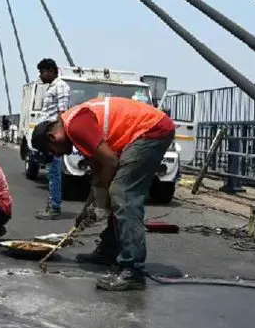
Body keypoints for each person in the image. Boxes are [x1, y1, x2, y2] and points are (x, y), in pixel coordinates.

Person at [31, 96, 175, 291]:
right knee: (114, 193)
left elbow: (110, 163)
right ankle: (108, 251)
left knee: (122, 192)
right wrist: (88, 209)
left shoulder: (76, 126)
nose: (58, 155)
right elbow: (98, 175)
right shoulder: (74, 127)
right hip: (147, 129)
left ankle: (133, 270)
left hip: (151, 130)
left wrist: (102, 204)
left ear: (52, 137)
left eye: (53, 151)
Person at [34, 58, 70, 220]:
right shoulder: (52, 87)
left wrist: (58, 137)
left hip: (53, 137)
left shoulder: (60, 86)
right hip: (48, 136)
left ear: (50, 71)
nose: (40, 75)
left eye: (42, 72)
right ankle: (52, 205)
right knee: (51, 172)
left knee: (54, 172)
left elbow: (62, 112)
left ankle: (54, 207)